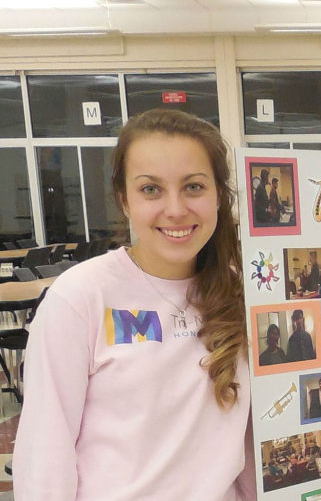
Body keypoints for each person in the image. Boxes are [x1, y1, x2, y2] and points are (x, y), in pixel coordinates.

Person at [14, 109, 255, 499]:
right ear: (124, 200)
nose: (176, 209)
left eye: (194, 186)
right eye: (151, 189)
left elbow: (251, 443)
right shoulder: (82, 296)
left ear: (218, 196)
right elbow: (45, 451)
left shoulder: (244, 294)